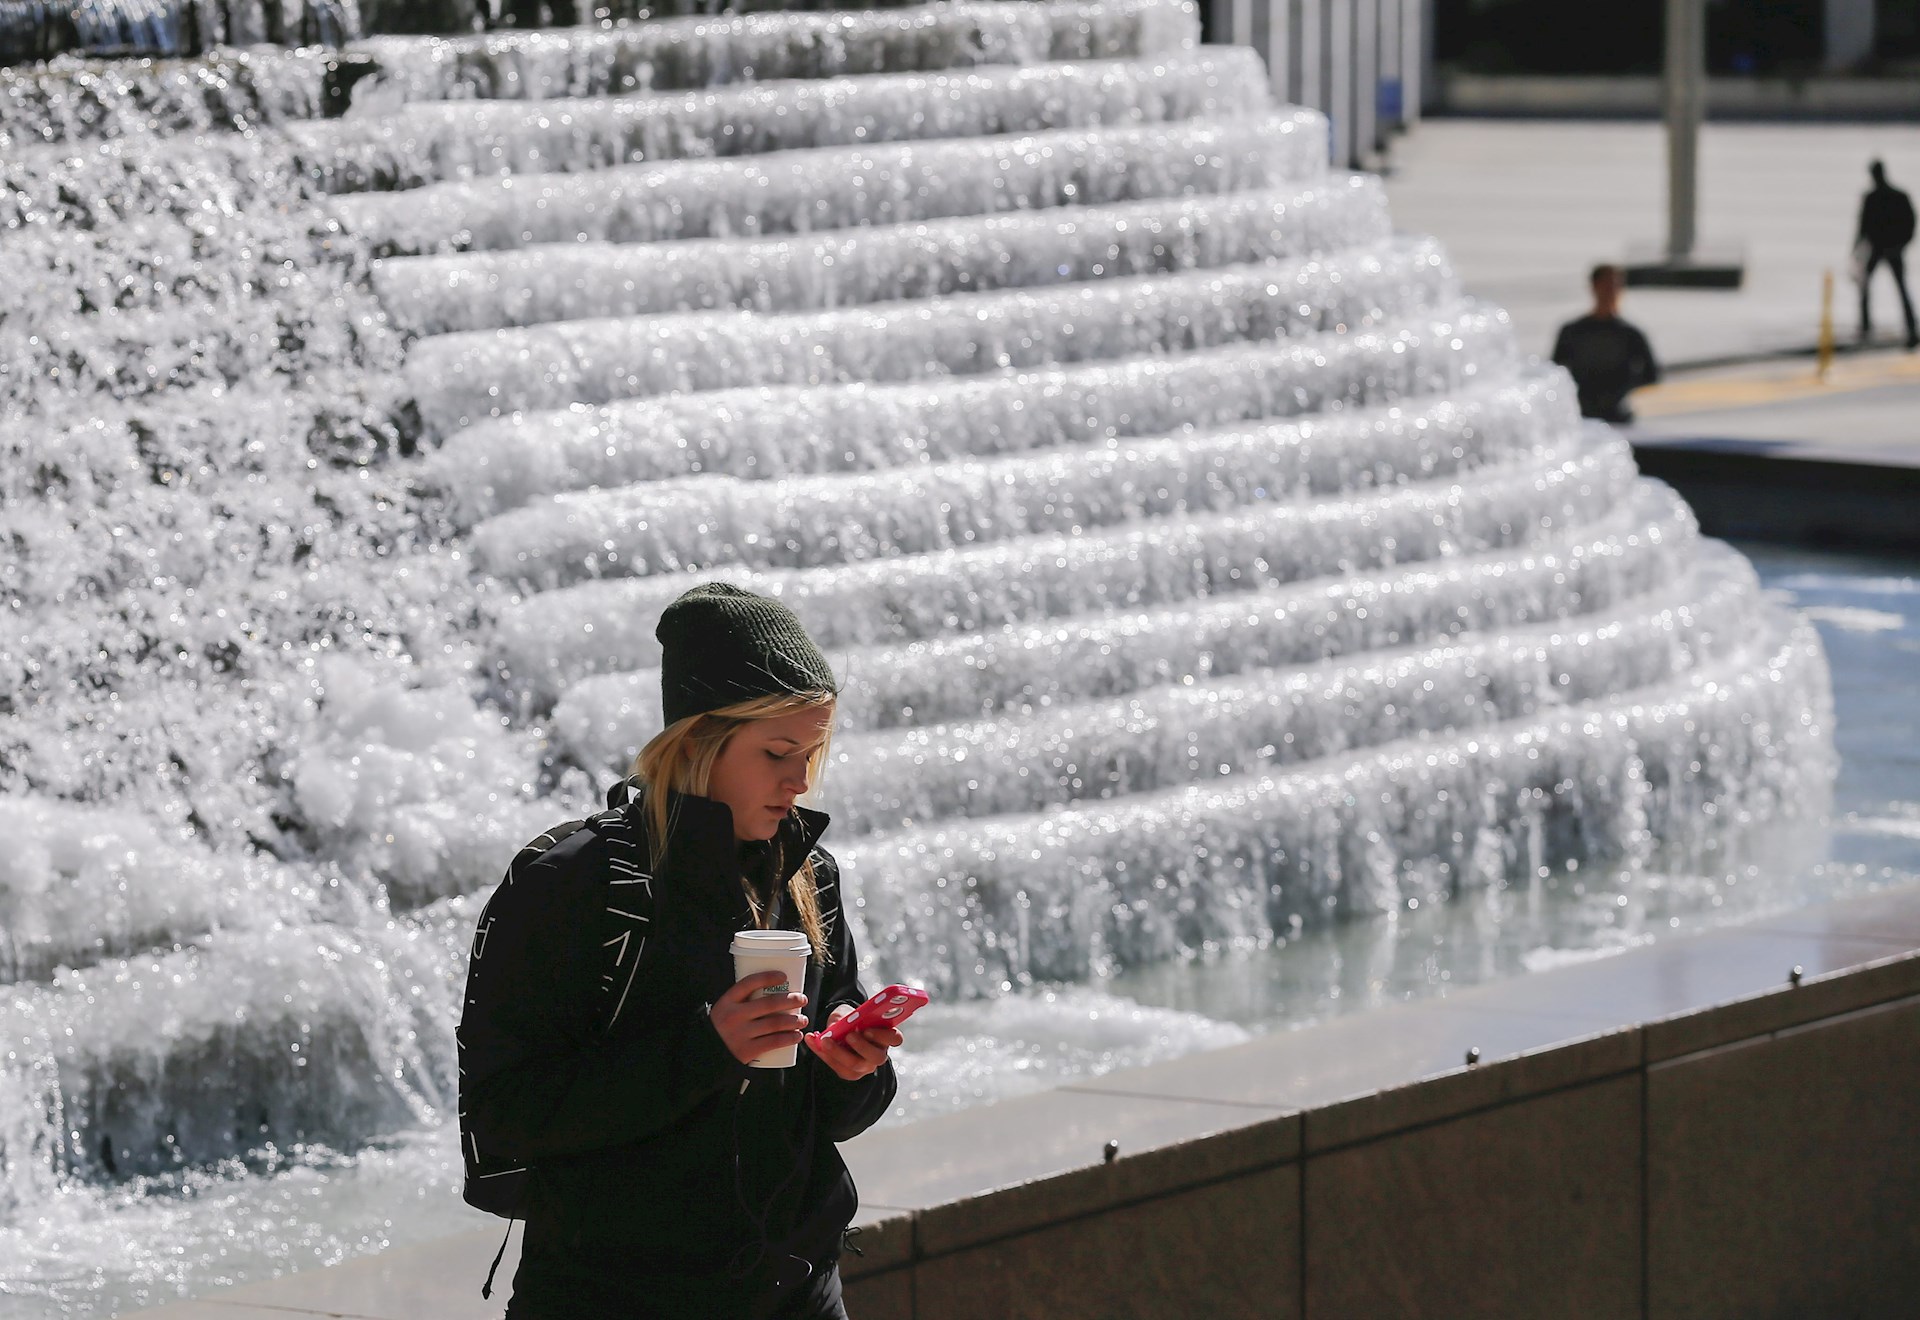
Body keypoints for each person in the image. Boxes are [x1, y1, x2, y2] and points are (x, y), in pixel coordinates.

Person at [459, 582, 900, 1319]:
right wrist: (706, 1047)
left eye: (813, 754)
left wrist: (855, 1067)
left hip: (800, 1293)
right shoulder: (575, 883)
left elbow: (823, 1115)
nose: (799, 782)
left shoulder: (807, 873)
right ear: (695, 741)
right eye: (778, 753)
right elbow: (503, 1110)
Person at [1551, 264, 1662, 424]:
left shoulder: (1630, 333)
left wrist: (1620, 389)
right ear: (1594, 287)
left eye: (1615, 285)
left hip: (1617, 415)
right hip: (1581, 415)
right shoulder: (1573, 331)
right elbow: (1555, 370)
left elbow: (1651, 374)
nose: (1611, 291)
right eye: (1606, 285)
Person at [1855, 159, 1918, 350]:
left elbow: (1863, 226)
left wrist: (1901, 244)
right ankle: (1907, 327)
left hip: (1888, 248)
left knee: (1892, 288)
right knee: (1875, 287)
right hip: (1885, 248)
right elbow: (1863, 225)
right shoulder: (1894, 196)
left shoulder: (1878, 197)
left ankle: (1908, 328)